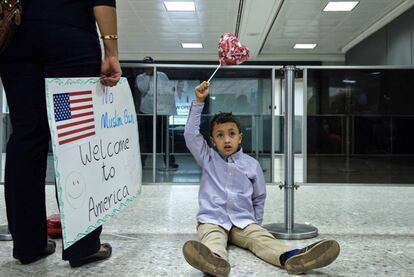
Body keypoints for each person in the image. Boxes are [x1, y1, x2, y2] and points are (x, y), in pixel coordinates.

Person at [0, 0, 121, 267]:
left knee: (26, 136)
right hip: (69, 41)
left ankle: (28, 245)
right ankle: (83, 246)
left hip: (18, 38)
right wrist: (111, 49)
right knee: (74, 139)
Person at [182, 81, 340, 276]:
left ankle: (294, 257)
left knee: (261, 238)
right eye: (220, 135)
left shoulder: (251, 165)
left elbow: (259, 197)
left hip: (243, 221)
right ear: (213, 141)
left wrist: (255, 222)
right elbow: (190, 135)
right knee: (212, 238)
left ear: (240, 137)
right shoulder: (208, 158)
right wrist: (199, 102)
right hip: (212, 219)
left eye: (231, 134)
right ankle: (214, 261)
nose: (227, 139)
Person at [135, 56, 178, 169]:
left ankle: (169, 162)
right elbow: (143, 89)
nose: (148, 67)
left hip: (162, 112)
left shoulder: (162, 75)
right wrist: (148, 76)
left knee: (165, 137)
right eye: (146, 65)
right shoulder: (140, 77)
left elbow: (168, 91)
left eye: (150, 64)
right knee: (146, 138)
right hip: (147, 112)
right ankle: (142, 162)